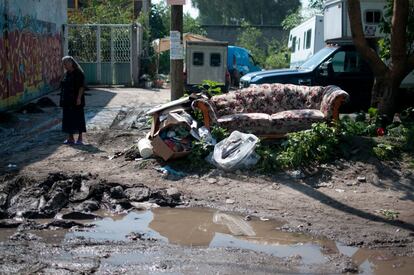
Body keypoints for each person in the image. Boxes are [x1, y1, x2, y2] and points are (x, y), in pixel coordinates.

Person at [60, 56, 86, 145]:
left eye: (66, 63)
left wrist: (78, 98)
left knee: (78, 117)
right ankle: (70, 138)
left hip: (76, 99)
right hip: (67, 100)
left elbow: (81, 87)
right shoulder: (67, 74)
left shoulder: (79, 73)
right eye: (63, 64)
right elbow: (62, 85)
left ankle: (80, 138)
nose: (64, 65)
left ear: (71, 63)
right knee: (68, 118)